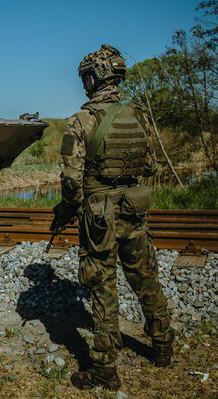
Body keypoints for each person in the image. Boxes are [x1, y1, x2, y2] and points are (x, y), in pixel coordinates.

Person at [52, 44, 175, 390]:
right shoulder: (139, 115)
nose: (83, 83)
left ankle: (104, 368)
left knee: (102, 287)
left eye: (85, 77)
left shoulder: (80, 121)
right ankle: (163, 344)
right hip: (134, 208)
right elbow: (151, 165)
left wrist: (66, 208)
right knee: (145, 278)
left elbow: (71, 182)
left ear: (95, 78)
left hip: (98, 217)